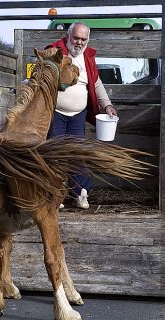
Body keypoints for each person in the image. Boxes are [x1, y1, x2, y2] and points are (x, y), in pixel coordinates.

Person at [45, 22, 117, 209]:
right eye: (76, 38)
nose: (79, 42)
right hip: (56, 113)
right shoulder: (55, 52)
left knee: (78, 153)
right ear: (68, 36)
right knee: (54, 153)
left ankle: (80, 194)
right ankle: (55, 194)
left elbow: (96, 83)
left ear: (88, 40)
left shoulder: (88, 58)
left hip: (78, 115)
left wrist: (107, 105)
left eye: (83, 39)